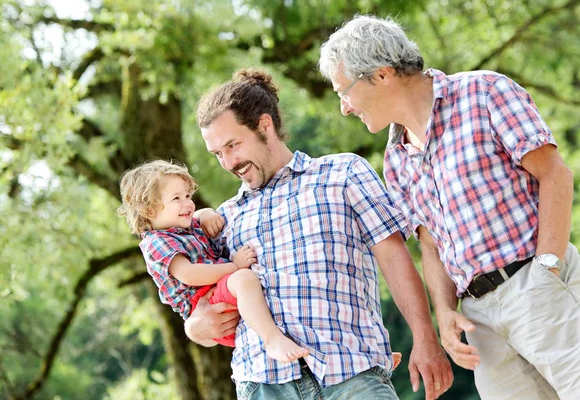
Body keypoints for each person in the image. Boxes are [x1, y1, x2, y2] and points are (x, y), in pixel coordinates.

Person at [319, 14, 580, 400]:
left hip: (536, 282)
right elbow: (430, 243)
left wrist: (546, 269)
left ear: (382, 75)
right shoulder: (396, 158)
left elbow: (555, 175)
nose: (345, 107)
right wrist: (444, 311)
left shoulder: (485, 92)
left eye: (345, 91)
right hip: (478, 319)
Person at [184, 68, 452, 400]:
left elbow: (394, 259)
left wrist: (426, 338)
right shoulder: (222, 220)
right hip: (265, 386)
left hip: (352, 376)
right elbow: (198, 298)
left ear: (264, 126)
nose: (228, 162)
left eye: (233, 145)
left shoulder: (344, 173)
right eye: (217, 154)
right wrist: (194, 327)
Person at [117, 159, 309, 362]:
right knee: (244, 278)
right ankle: (273, 340)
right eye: (176, 198)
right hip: (207, 304)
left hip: (219, 294)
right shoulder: (156, 242)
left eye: (188, 195)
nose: (188, 204)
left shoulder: (182, 226)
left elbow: (196, 216)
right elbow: (190, 274)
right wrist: (234, 266)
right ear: (149, 210)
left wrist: (206, 213)